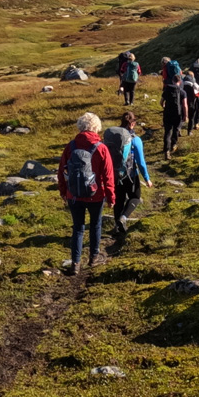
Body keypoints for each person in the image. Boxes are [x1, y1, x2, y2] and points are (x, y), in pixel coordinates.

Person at [57, 112, 115, 275]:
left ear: (80, 126)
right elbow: (108, 175)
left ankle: (75, 263)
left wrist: (64, 190)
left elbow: (62, 170)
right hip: (96, 195)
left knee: (78, 228)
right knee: (96, 225)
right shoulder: (101, 147)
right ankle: (93, 258)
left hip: (74, 194)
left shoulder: (71, 146)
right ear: (96, 127)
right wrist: (111, 197)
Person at [102, 111, 152, 243]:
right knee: (135, 197)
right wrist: (146, 178)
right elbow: (140, 162)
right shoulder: (135, 139)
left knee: (118, 200)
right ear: (133, 123)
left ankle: (116, 227)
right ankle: (123, 218)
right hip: (130, 175)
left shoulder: (113, 137)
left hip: (114, 174)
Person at [161, 74, 188, 159]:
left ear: (172, 81)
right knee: (176, 130)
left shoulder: (167, 90)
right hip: (178, 114)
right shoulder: (182, 92)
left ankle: (166, 151)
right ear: (180, 82)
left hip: (167, 113)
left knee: (167, 132)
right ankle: (173, 145)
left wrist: (164, 107)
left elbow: (161, 102)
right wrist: (186, 116)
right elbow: (185, 105)